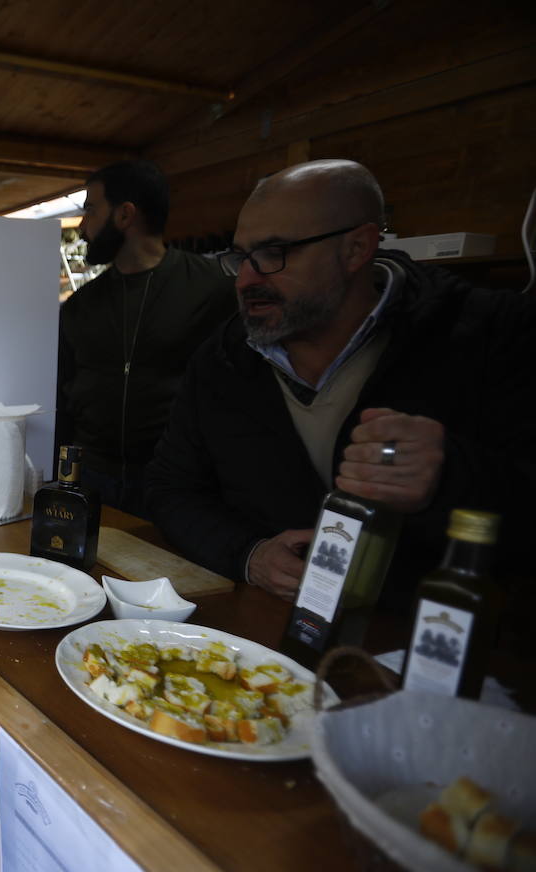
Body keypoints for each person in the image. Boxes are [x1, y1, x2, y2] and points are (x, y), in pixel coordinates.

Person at [145, 159, 534, 615]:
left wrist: (450, 478)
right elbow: (171, 488)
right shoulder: (222, 358)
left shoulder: (491, 335)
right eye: (241, 258)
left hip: (427, 652)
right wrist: (248, 554)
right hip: (265, 631)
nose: (248, 279)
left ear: (356, 248)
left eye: (274, 253)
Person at [56, 159, 236, 516]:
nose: (82, 225)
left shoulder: (211, 289)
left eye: (90, 209)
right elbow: (65, 390)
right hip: (92, 477)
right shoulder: (81, 305)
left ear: (125, 215)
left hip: (176, 482)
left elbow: (232, 390)